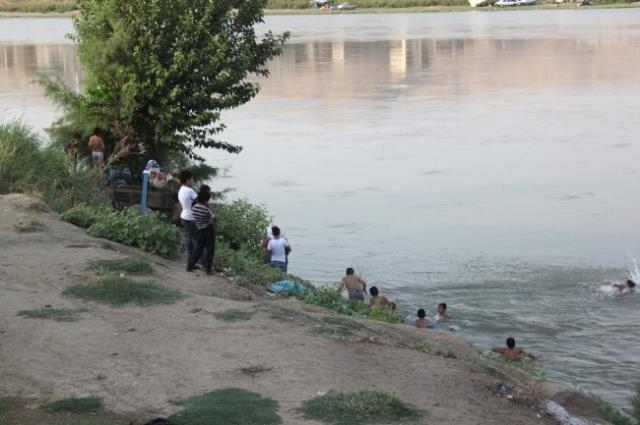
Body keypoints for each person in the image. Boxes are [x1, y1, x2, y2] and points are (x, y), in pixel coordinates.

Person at [187, 190, 215, 275]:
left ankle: (190, 265)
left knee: (198, 249)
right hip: (208, 230)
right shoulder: (206, 210)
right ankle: (208, 269)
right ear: (206, 200)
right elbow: (211, 221)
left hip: (199, 229)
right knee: (210, 249)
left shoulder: (194, 208)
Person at [178, 170, 198, 268]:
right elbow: (201, 202)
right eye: (191, 179)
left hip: (184, 217)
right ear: (187, 180)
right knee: (197, 241)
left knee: (189, 240)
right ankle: (205, 263)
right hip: (191, 218)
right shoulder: (190, 191)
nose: (193, 181)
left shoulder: (181, 189)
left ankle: (190, 262)